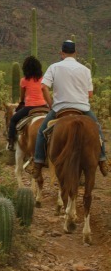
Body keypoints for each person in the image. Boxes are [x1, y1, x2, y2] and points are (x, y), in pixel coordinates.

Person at [33, 40, 107, 179]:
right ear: (75, 53)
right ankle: (102, 160)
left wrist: (50, 104)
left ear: (62, 53)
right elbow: (90, 94)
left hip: (60, 108)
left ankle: (37, 163)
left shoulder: (54, 67)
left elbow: (43, 87)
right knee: (97, 129)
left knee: (41, 132)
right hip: (82, 108)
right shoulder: (85, 70)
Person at [7, 56, 47, 150]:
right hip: (43, 106)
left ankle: (11, 143)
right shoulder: (42, 79)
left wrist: (21, 102)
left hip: (30, 107)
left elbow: (22, 96)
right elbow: (45, 93)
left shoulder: (24, 80)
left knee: (13, 120)